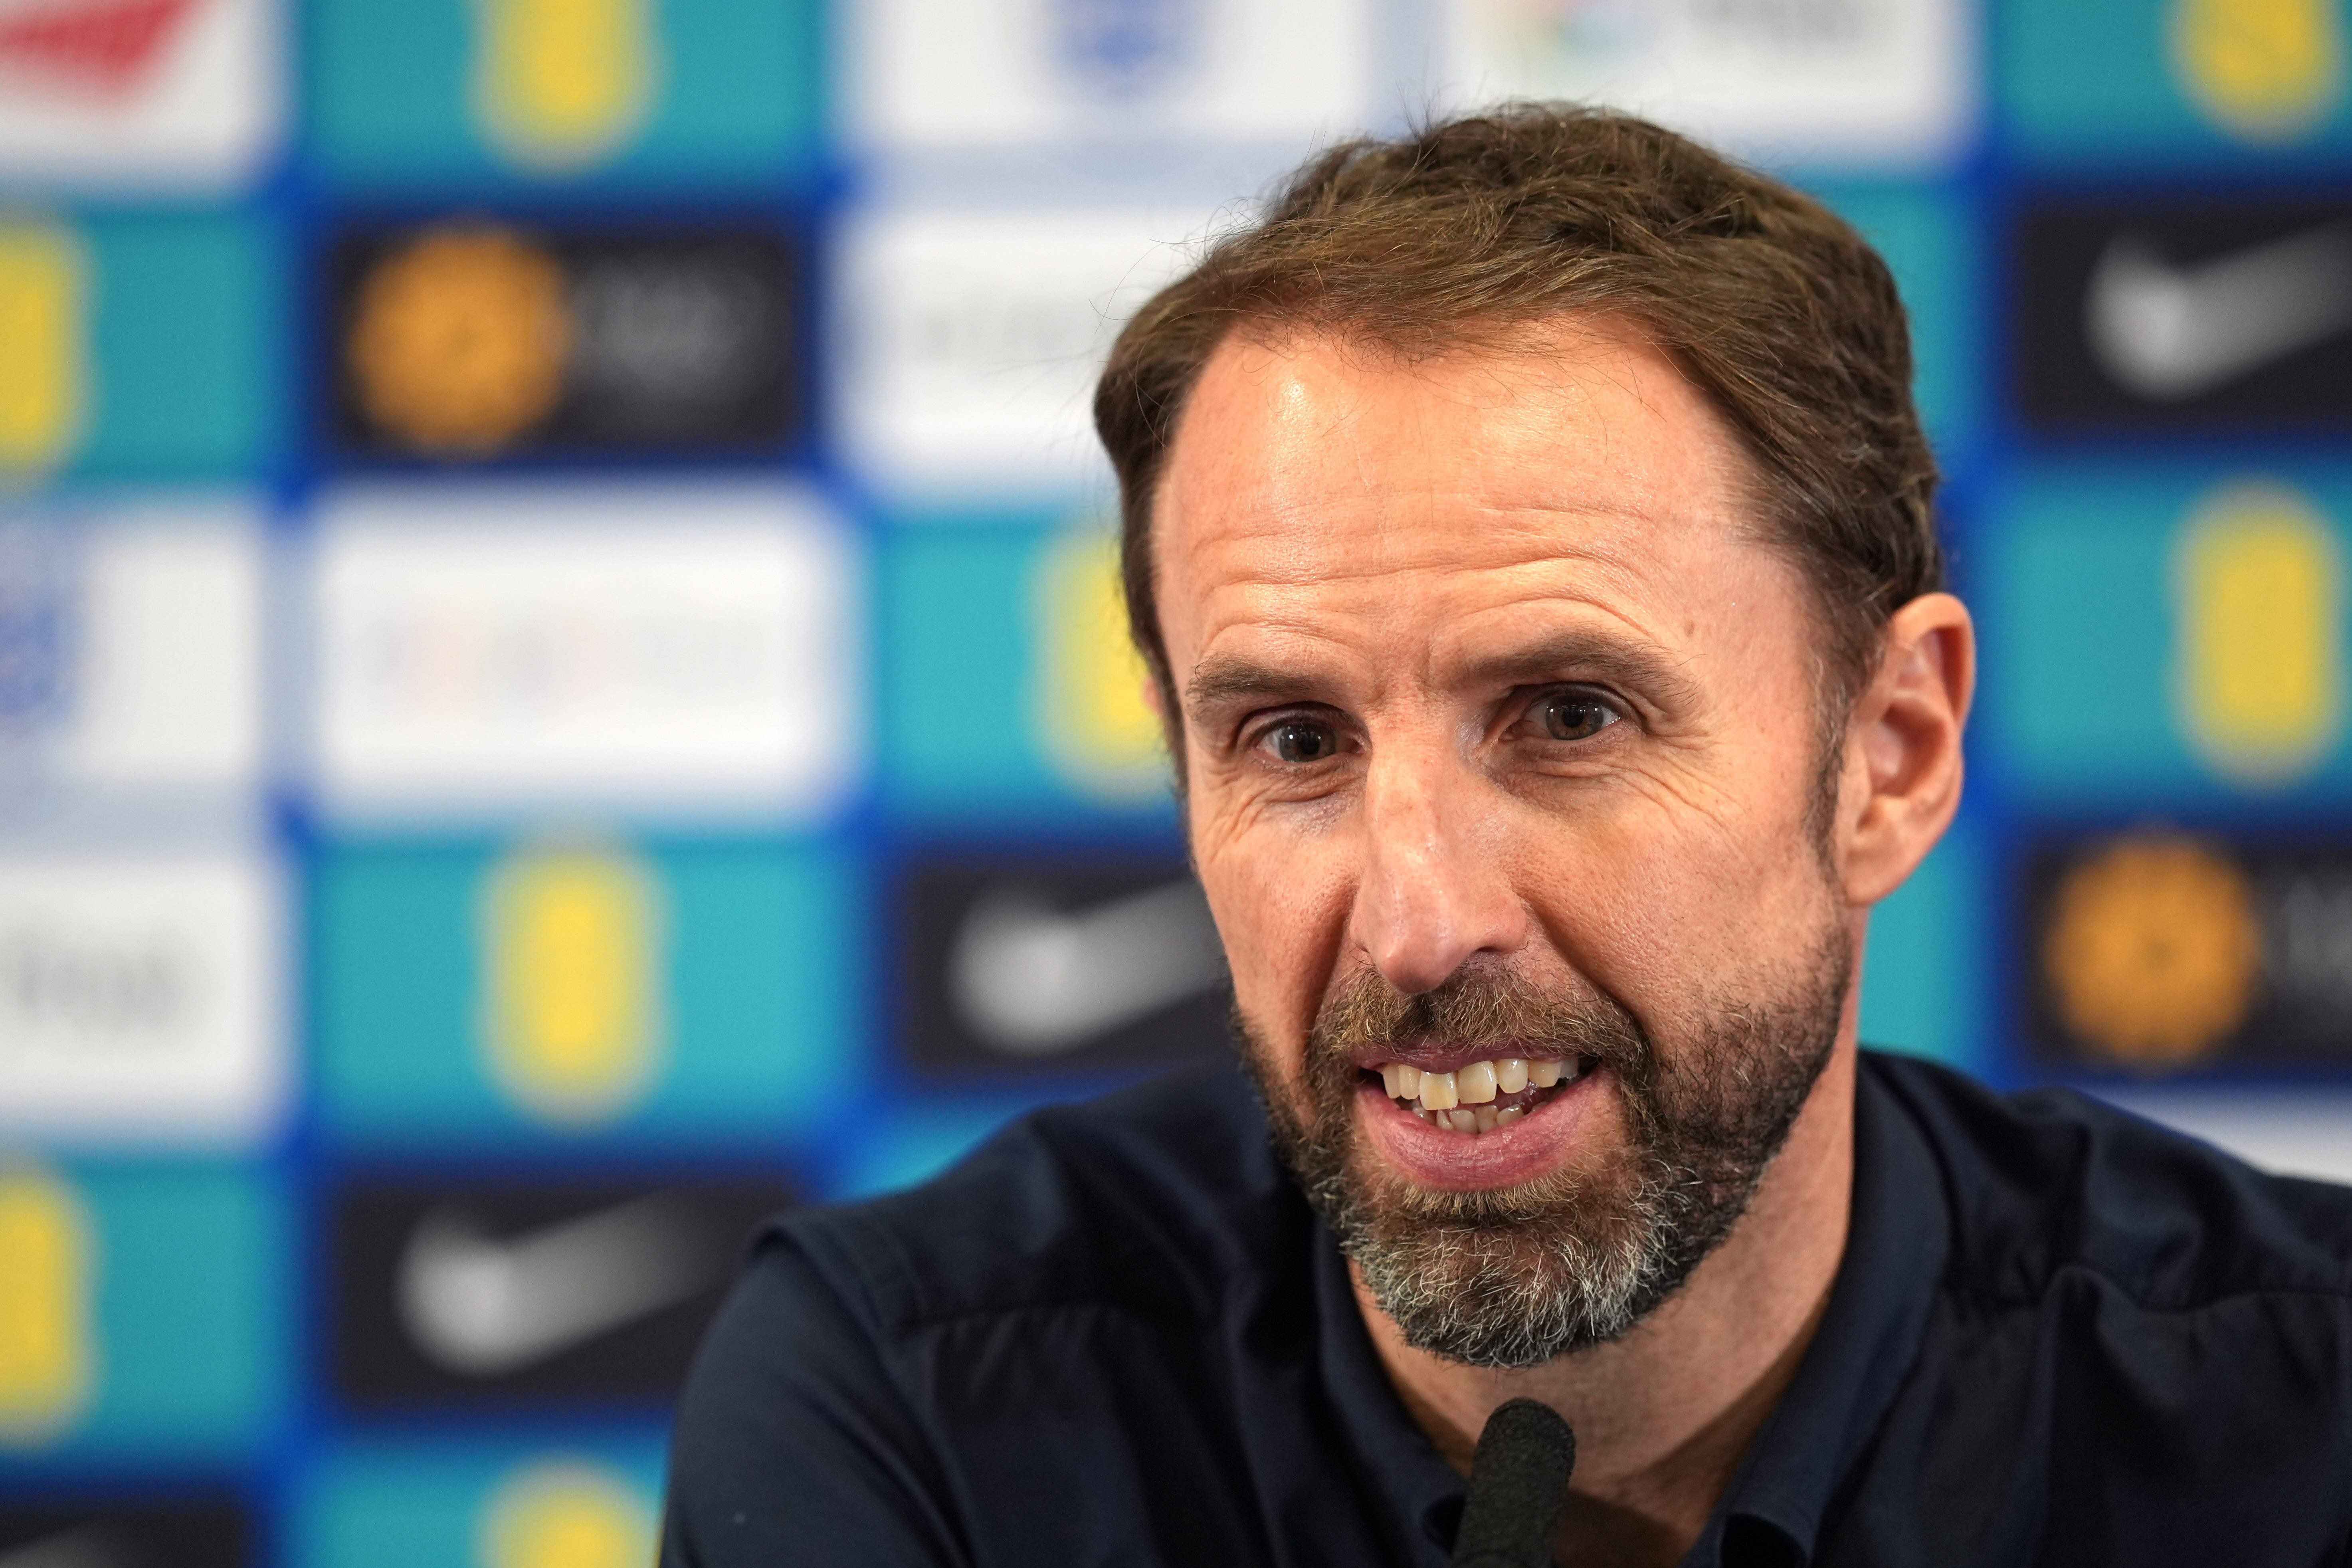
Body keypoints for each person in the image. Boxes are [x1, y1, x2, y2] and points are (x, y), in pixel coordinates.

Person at [661, 107, 2352, 1567]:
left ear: (1887, 757)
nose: (1416, 920)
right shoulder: (915, 1411)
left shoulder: (2303, 1421)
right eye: (1298, 741)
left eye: (1568, 718)